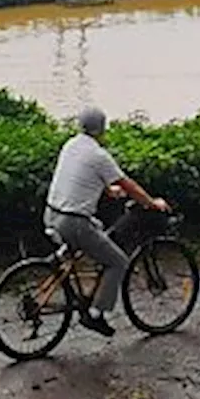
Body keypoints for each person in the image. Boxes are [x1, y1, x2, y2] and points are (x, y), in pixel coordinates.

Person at [44, 106, 170, 337]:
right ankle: (95, 314)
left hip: (52, 214)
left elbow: (81, 177)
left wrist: (107, 190)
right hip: (73, 223)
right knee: (118, 262)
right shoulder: (99, 155)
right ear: (101, 129)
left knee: (99, 231)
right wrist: (152, 203)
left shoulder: (71, 145)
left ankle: (61, 259)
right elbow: (128, 185)